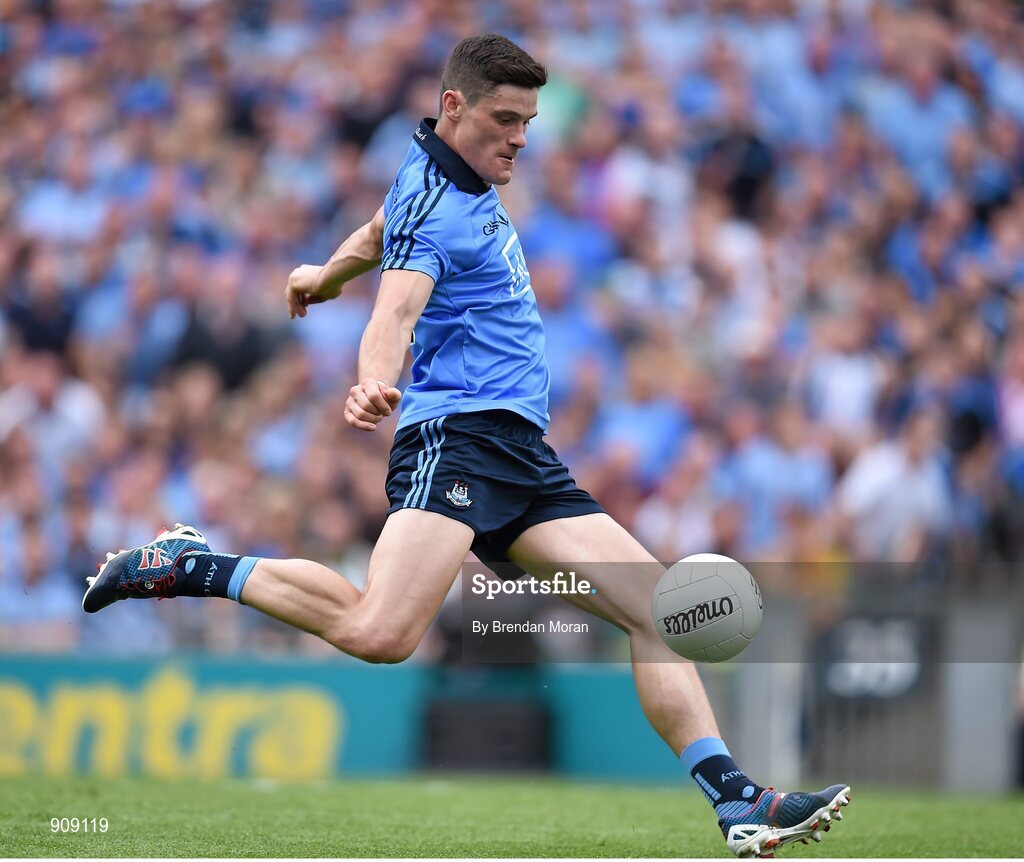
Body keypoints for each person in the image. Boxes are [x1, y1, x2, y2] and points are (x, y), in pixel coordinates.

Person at [83, 34, 849, 858]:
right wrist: (371, 377)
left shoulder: (439, 174)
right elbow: (395, 313)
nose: (521, 138)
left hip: (521, 455)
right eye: (506, 119)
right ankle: (189, 564)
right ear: (455, 107)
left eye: (528, 122)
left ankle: (737, 802)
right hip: (457, 443)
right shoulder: (441, 204)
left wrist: (321, 274)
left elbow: (381, 230)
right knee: (382, 634)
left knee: (661, 609)